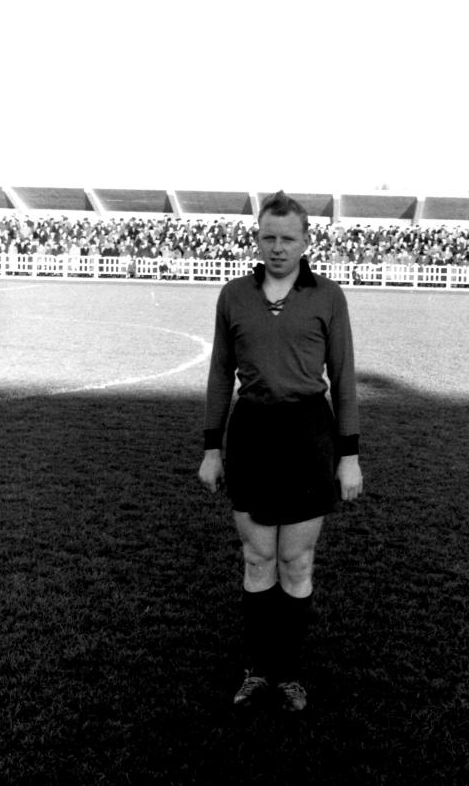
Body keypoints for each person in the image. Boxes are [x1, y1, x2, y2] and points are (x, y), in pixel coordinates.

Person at [198, 190, 363, 712]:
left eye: (288, 238)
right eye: (268, 237)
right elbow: (221, 375)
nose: (277, 247)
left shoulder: (329, 297)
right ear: (258, 237)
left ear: (306, 240)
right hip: (251, 434)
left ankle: (288, 673)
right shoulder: (234, 295)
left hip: (308, 434)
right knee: (257, 556)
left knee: (296, 560)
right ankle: (256, 670)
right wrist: (211, 448)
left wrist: (349, 455)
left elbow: (344, 379)